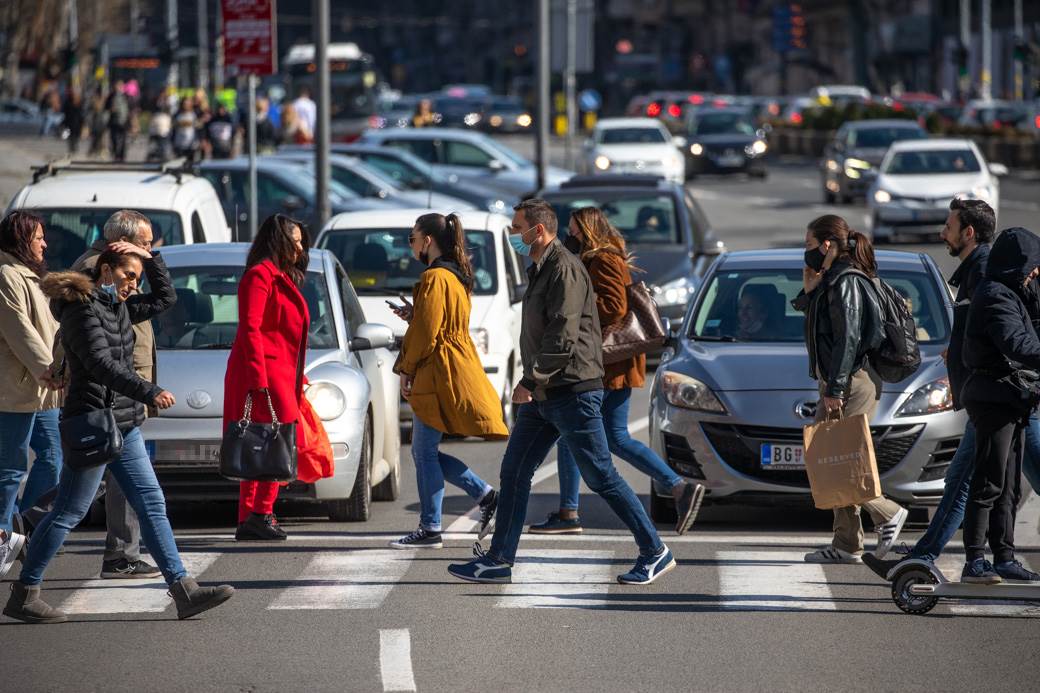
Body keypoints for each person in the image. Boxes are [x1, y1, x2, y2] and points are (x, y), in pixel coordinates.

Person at [3, 244, 234, 624]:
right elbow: (100, 364)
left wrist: (151, 257)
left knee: (151, 502)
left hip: (124, 425)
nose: (132, 285)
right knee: (68, 511)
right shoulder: (80, 311)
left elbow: (166, 298)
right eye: (128, 275)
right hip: (93, 422)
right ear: (105, 270)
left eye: (136, 279)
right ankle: (25, 592)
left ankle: (183, 590)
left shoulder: (119, 307)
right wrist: (148, 390)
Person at [448, 199, 674, 585]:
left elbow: (563, 335)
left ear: (538, 230)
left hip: (570, 389)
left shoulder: (564, 268)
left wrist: (530, 380)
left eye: (518, 228)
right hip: (547, 391)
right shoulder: (541, 266)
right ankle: (499, 559)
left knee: (600, 475)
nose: (513, 235)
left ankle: (655, 551)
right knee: (515, 471)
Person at [529, 207, 705, 536]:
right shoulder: (595, 258)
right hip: (605, 364)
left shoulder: (604, 259)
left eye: (575, 231)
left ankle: (572, 511)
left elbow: (614, 307)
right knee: (603, 437)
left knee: (593, 436)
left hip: (608, 364)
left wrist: (574, 305)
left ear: (589, 230)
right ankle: (675, 487)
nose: (571, 236)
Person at [862, 199, 997, 577]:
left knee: (972, 481)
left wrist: (965, 351)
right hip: (985, 394)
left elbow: (996, 328)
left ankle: (933, 557)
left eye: (949, 226)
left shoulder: (983, 271)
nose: (942, 233)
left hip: (994, 396)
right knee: (967, 481)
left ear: (968, 233)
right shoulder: (975, 270)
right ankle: (934, 555)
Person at [794, 214, 909, 564]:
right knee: (834, 455)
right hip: (838, 378)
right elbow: (818, 321)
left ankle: (888, 513)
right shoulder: (832, 278)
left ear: (827, 244)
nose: (806, 252)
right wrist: (809, 291)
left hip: (850, 379)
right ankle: (846, 544)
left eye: (809, 245)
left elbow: (849, 338)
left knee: (846, 460)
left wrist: (837, 387)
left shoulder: (846, 280)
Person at [389, 213, 507, 549]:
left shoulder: (434, 277)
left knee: (424, 452)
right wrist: (416, 313)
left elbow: (427, 333)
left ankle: (432, 527)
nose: (410, 245)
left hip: (435, 370)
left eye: (412, 239)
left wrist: (406, 368)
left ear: (427, 240)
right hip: (451, 364)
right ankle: (482, 497)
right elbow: (437, 322)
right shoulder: (456, 275)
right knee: (425, 451)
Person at [69, 210, 161, 579]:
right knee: (95, 483)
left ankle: (125, 553)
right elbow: (97, 339)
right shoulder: (99, 268)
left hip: (124, 380)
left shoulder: (116, 263)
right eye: (146, 242)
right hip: (115, 386)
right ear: (120, 242)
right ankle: (121, 553)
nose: (151, 249)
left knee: (100, 477)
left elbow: (158, 300)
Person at [955, 227, 1040, 583]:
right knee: (987, 483)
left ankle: (1004, 556)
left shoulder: (1012, 291)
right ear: (1018, 264)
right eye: (1033, 266)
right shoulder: (995, 296)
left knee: (1008, 486)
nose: (1035, 273)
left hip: (1011, 397)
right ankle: (975, 560)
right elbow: (1017, 343)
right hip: (993, 397)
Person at [224, 214, 311, 541]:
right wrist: (259, 379)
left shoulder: (278, 276)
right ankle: (257, 514)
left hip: (278, 372)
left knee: (268, 442)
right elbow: (251, 329)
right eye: (296, 241)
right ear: (279, 241)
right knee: (269, 442)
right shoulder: (260, 276)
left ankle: (256, 515)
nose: (301, 248)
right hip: (263, 373)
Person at [0, 212, 63, 578]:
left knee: (53, 457)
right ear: (21, 240)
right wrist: (51, 371)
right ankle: (5, 535)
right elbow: (20, 332)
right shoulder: (7, 276)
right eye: (38, 237)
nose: (44, 243)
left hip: (41, 388)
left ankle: (22, 527)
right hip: (17, 389)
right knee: (9, 470)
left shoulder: (31, 276)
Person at [105, 81, 130, 161]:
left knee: (123, 139)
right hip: (114, 121)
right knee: (114, 139)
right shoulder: (111, 96)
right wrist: (111, 109)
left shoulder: (126, 96)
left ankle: (121, 156)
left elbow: (130, 108)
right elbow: (106, 107)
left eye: (120, 86)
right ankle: (116, 154)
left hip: (124, 121)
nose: (118, 88)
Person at [61, 89, 85, 155]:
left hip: (77, 122)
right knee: (70, 136)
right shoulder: (68, 102)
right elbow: (64, 111)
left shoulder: (79, 103)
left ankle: (74, 147)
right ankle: (71, 147)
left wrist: (82, 121)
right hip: (69, 122)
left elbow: (81, 113)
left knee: (76, 136)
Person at [87, 89, 108, 157]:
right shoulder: (93, 110)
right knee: (95, 140)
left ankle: (100, 151)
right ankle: (93, 151)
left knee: (101, 140)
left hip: (101, 126)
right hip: (96, 127)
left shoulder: (102, 110)